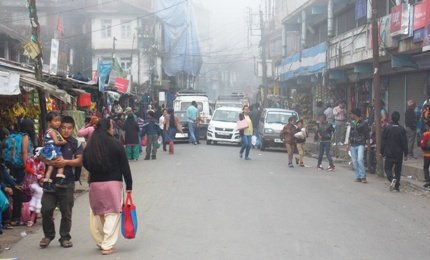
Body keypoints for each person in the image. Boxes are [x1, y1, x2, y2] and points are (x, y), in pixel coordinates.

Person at [83, 118, 133, 255]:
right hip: (113, 184)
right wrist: (129, 185)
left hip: (95, 184)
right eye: (112, 126)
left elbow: (85, 162)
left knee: (98, 213)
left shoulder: (91, 144)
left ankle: (101, 241)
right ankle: (107, 244)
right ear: (108, 128)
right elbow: (125, 167)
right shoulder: (116, 144)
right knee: (112, 213)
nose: (113, 129)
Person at [39, 116, 83, 249]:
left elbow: (79, 161)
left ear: (73, 128)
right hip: (50, 182)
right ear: (59, 127)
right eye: (63, 127)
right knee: (46, 210)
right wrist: (49, 162)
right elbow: (41, 155)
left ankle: (64, 237)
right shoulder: (50, 140)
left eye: (69, 128)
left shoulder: (76, 143)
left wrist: (66, 162)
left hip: (67, 182)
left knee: (66, 212)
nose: (66, 131)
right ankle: (48, 235)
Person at [6, 118, 35, 226]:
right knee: (20, 190)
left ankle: (16, 216)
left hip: (13, 166)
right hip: (21, 166)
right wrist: (26, 166)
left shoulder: (14, 135)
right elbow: (24, 152)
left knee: (16, 189)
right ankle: (17, 217)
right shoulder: (25, 137)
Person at [40, 112, 68, 192]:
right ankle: (59, 179)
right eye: (55, 121)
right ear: (49, 122)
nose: (58, 123)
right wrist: (63, 142)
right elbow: (56, 142)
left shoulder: (47, 131)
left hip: (48, 151)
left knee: (50, 167)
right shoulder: (52, 131)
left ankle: (46, 182)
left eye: (59, 120)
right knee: (61, 163)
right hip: (54, 151)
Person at [381, 111, 408, 192]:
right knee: (398, 170)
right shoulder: (402, 129)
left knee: (387, 169)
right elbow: (404, 142)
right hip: (399, 154)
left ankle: (392, 179)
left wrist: (381, 152)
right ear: (399, 118)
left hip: (389, 153)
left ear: (391, 118)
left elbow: (383, 141)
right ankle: (397, 187)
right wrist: (406, 153)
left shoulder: (387, 128)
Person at [349, 108, 369, 183]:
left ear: (355, 114)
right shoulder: (352, 123)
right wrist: (348, 144)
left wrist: (368, 144)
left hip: (361, 143)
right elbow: (350, 134)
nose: (350, 115)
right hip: (353, 144)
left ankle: (363, 176)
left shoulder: (364, 123)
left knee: (360, 159)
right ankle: (358, 176)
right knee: (354, 161)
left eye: (351, 114)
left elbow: (367, 134)